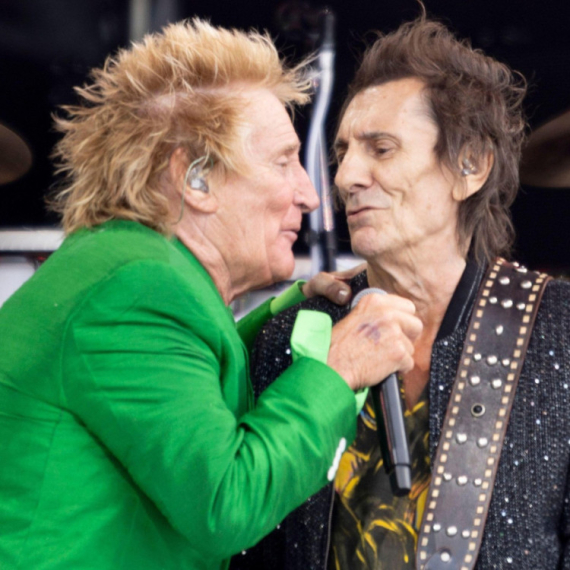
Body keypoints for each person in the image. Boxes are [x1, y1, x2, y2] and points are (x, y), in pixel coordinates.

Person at [0, 20, 424, 570]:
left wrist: (288, 307)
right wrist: (340, 368)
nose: (311, 194)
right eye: (283, 161)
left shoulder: (128, 269)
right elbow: (227, 501)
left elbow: (182, 385)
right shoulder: (136, 290)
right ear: (195, 179)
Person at [232, 15, 570, 570]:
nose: (345, 178)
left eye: (382, 149)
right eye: (344, 153)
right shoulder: (292, 333)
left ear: (470, 166)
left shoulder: (557, 329)